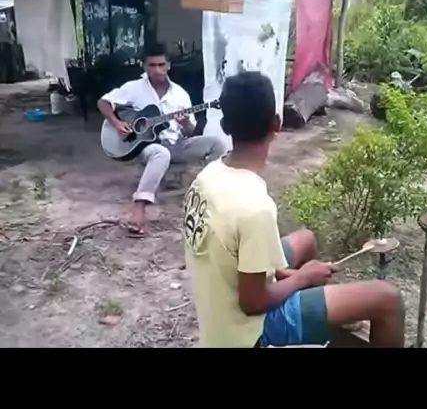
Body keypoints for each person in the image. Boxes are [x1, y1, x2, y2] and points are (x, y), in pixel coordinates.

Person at [184, 71, 405, 347]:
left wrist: (282, 275)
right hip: (247, 332)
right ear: (276, 124)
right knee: (387, 299)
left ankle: (322, 325)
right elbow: (253, 302)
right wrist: (302, 277)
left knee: (305, 240)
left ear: (225, 125)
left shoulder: (206, 177)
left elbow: (230, 253)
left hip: (218, 303)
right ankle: (313, 321)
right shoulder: (254, 207)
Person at [98, 43, 226, 235]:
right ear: (144, 66)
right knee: (161, 153)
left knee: (217, 144)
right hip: (148, 147)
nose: (157, 70)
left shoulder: (180, 94)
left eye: (161, 65)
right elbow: (103, 102)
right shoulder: (134, 88)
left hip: (177, 145)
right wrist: (117, 124)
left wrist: (185, 123)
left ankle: (212, 195)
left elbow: (191, 132)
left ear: (168, 66)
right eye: (152, 65)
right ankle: (139, 208)